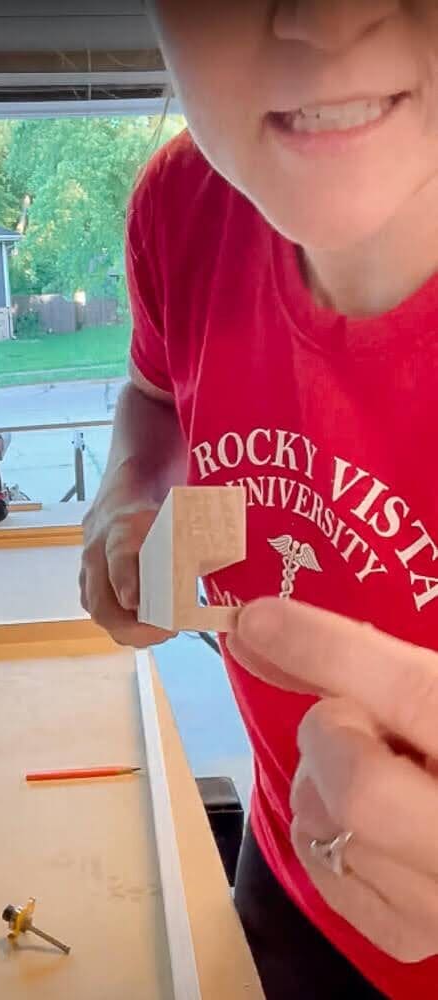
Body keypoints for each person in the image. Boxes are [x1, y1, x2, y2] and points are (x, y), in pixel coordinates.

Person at [79, 3, 438, 997]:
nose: (328, 15)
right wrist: (130, 495)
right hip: (284, 868)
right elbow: (157, 397)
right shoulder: (185, 206)